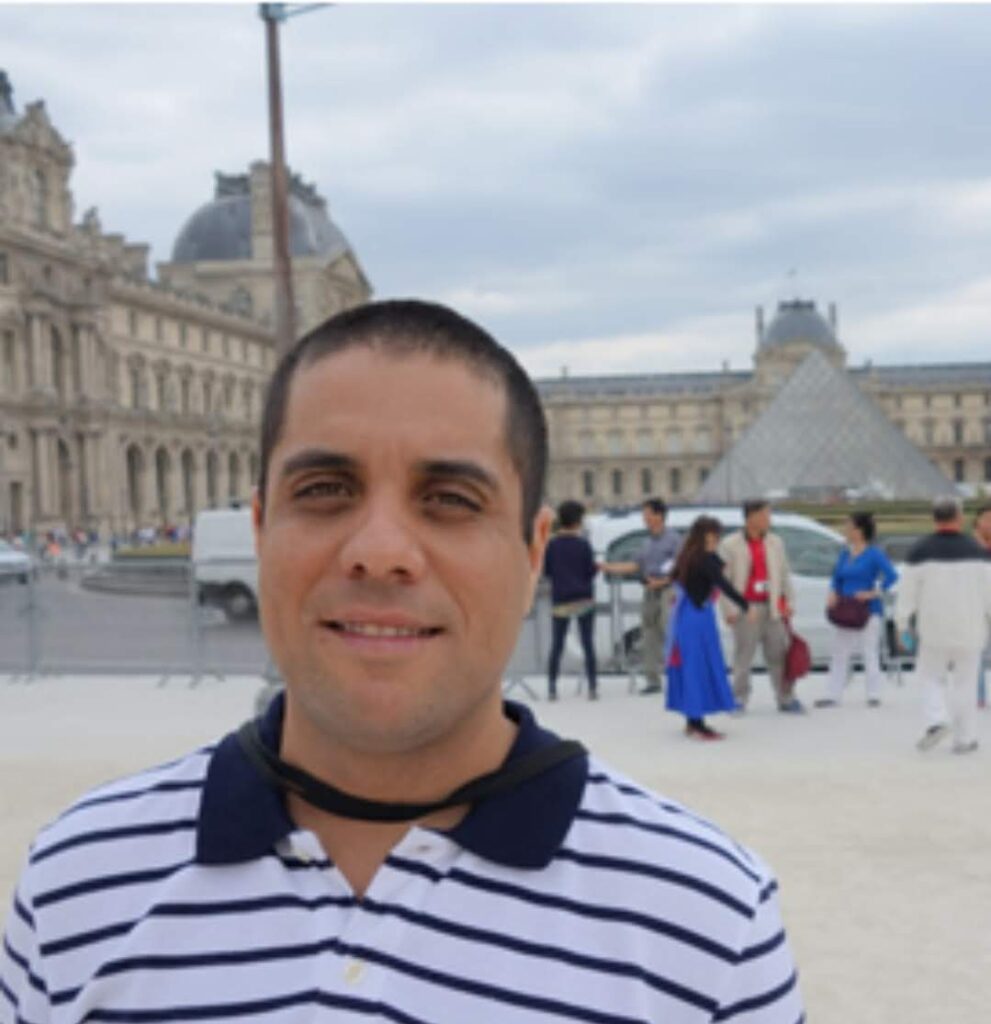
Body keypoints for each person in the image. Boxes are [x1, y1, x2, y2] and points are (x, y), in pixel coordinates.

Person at [1, 300, 803, 1022]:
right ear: (258, 531)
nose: (380, 552)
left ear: (533, 554)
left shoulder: (709, 924)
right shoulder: (72, 884)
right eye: (323, 489)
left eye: (450, 500)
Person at [895, 495, 991, 754]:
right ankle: (965, 738)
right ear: (960, 518)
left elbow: (906, 594)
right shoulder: (979, 552)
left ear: (933, 517)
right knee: (966, 683)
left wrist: (902, 625)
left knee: (929, 677)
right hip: (971, 629)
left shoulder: (919, 552)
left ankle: (936, 720)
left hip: (934, 629)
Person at [666, 516, 754, 741]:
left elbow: (675, 579)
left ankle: (692, 721)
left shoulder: (689, 556)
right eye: (713, 535)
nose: (717, 539)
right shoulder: (704, 559)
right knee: (698, 668)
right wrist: (745, 605)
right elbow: (723, 584)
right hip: (697, 619)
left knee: (690, 667)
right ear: (704, 536)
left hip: (687, 617)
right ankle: (698, 723)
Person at [719, 500, 805, 714]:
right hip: (746, 608)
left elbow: (784, 574)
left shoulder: (775, 542)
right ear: (751, 518)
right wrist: (729, 610)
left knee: (778, 655)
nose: (769, 519)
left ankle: (785, 697)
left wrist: (790, 602)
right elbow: (723, 581)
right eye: (765, 515)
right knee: (743, 656)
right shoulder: (730, 544)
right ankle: (739, 698)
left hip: (772, 606)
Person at [815, 511, 898, 709]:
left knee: (869, 651)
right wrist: (833, 592)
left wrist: (874, 592)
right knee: (839, 651)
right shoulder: (845, 553)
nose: (846, 530)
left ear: (859, 530)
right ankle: (832, 694)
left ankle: (873, 694)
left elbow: (892, 576)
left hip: (867, 609)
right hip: (845, 607)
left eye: (849, 526)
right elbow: (837, 577)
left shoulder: (874, 554)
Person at [599, 497, 681, 695]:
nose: (645, 518)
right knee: (649, 632)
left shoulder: (674, 539)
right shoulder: (647, 542)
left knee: (668, 629)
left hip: (668, 589)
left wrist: (661, 582)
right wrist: (608, 567)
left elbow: (680, 567)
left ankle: (679, 675)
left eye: (648, 514)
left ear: (659, 515)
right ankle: (652, 679)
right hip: (650, 590)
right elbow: (635, 565)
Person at [542, 499, 598, 701]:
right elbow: (590, 571)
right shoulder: (583, 545)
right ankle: (592, 686)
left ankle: (552, 688)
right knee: (587, 643)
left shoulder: (552, 546)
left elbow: (547, 572)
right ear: (577, 522)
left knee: (557, 644)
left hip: (561, 599)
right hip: (583, 598)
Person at [974, 502, 991, 708]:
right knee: (976, 653)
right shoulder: (968, 547)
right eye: (986, 519)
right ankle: (978, 696)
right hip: (976, 606)